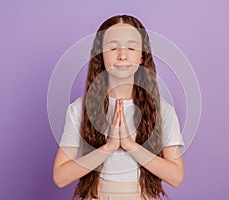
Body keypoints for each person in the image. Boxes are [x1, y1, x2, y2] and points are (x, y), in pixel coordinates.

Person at [53, 14, 185, 200]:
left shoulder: (162, 110)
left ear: (141, 55)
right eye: (113, 48)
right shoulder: (79, 109)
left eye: (131, 48)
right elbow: (60, 177)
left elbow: (176, 177)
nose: (122, 55)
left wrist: (130, 145)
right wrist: (109, 146)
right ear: (101, 54)